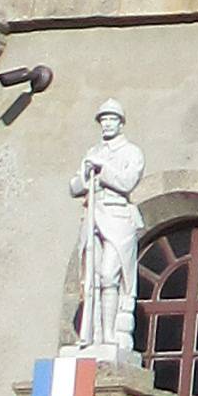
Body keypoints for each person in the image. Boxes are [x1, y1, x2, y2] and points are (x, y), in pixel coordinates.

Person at [68, 103, 147, 360]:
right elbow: (75, 186)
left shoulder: (131, 152)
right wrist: (87, 174)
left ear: (120, 122)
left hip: (116, 217)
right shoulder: (93, 151)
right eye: (103, 120)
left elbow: (126, 182)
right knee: (90, 277)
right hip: (93, 215)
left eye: (112, 119)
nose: (107, 124)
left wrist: (103, 168)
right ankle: (92, 334)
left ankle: (111, 335)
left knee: (109, 275)